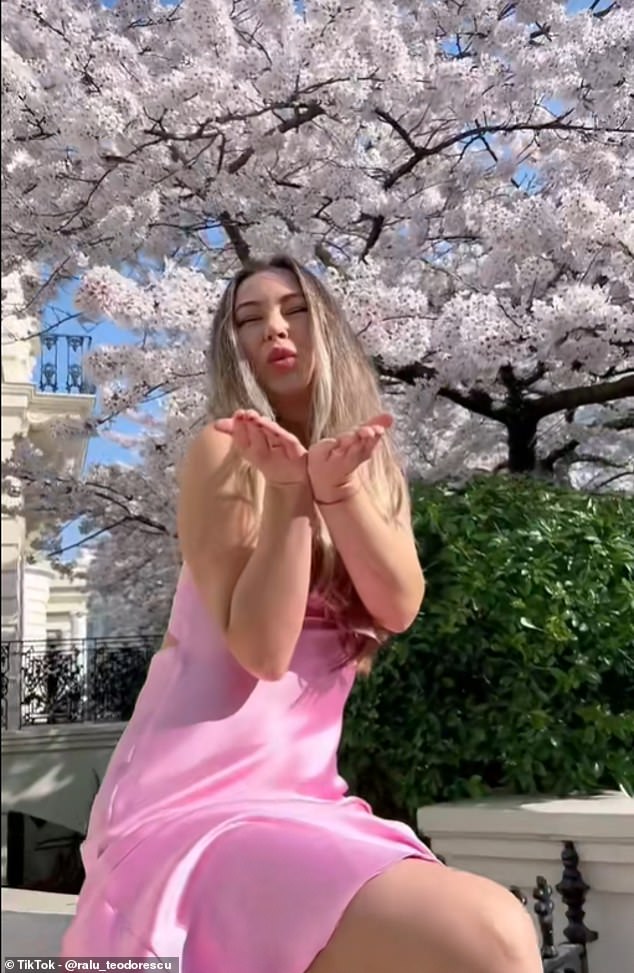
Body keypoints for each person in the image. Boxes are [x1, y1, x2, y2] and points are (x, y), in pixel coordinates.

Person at [61, 255, 541, 973]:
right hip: (191, 794)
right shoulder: (224, 450)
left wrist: (335, 490)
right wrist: (289, 494)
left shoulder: (369, 466)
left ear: (329, 328)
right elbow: (260, 649)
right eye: (249, 321)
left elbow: (398, 605)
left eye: (293, 310)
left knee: (501, 931)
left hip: (306, 792)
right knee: (485, 935)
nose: (274, 331)